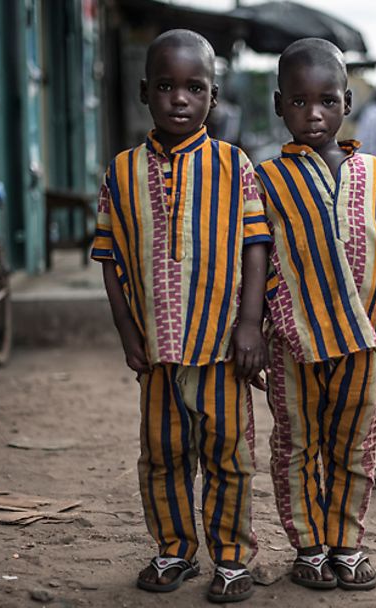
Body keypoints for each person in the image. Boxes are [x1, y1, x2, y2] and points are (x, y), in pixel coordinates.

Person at [90, 29, 271, 603]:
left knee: (229, 457)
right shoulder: (121, 173)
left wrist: (250, 325)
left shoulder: (233, 165)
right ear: (145, 92)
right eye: (165, 86)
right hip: (157, 351)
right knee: (163, 457)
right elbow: (110, 259)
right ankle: (174, 550)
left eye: (195, 88)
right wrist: (126, 330)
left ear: (213, 97)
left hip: (220, 351)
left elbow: (255, 248)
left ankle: (233, 559)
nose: (180, 99)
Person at [254, 38, 376, 591]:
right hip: (292, 341)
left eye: (327, 100)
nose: (314, 114)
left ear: (347, 102)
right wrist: (251, 331)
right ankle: (308, 546)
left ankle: (347, 543)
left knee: (355, 446)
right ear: (280, 105)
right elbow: (254, 259)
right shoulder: (265, 179)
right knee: (296, 445)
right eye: (300, 102)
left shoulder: (374, 173)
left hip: (363, 340)